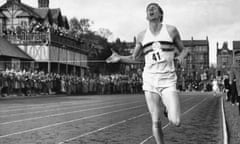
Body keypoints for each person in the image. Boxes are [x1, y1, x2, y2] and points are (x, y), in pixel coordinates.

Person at [106, 3, 188, 144]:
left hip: (168, 80)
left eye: (154, 8)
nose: (150, 9)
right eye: (148, 9)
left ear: (160, 14)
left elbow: (185, 50)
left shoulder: (171, 30)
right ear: (146, 16)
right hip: (150, 80)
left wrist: (181, 57)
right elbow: (134, 57)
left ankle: (168, 110)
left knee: (176, 121)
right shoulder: (142, 35)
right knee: (155, 121)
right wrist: (120, 58)